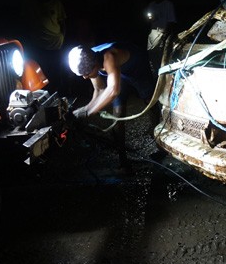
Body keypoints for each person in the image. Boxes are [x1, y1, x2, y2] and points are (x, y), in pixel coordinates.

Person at [67, 41, 158, 170]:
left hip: (136, 67)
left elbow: (113, 90)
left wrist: (88, 112)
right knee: (117, 115)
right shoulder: (91, 59)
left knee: (150, 102)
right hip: (117, 74)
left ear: (94, 66)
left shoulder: (108, 56)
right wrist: (85, 109)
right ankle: (123, 159)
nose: (85, 78)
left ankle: (160, 145)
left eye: (86, 74)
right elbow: (99, 90)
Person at [21, 0, 68, 91]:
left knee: (56, 72)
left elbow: (63, 23)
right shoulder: (30, 3)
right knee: (40, 73)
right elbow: (25, 22)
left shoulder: (56, 4)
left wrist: (62, 37)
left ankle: (59, 95)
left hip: (55, 45)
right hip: (38, 45)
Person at [145, 0, 177, 76]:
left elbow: (172, 21)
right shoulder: (151, 5)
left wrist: (166, 36)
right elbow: (148, 20)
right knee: (152, 56)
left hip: (163, 32)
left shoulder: (168, 4)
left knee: (162, 56)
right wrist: (150, 19)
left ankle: (163, 74)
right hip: (153, 33)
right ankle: (155, 75)